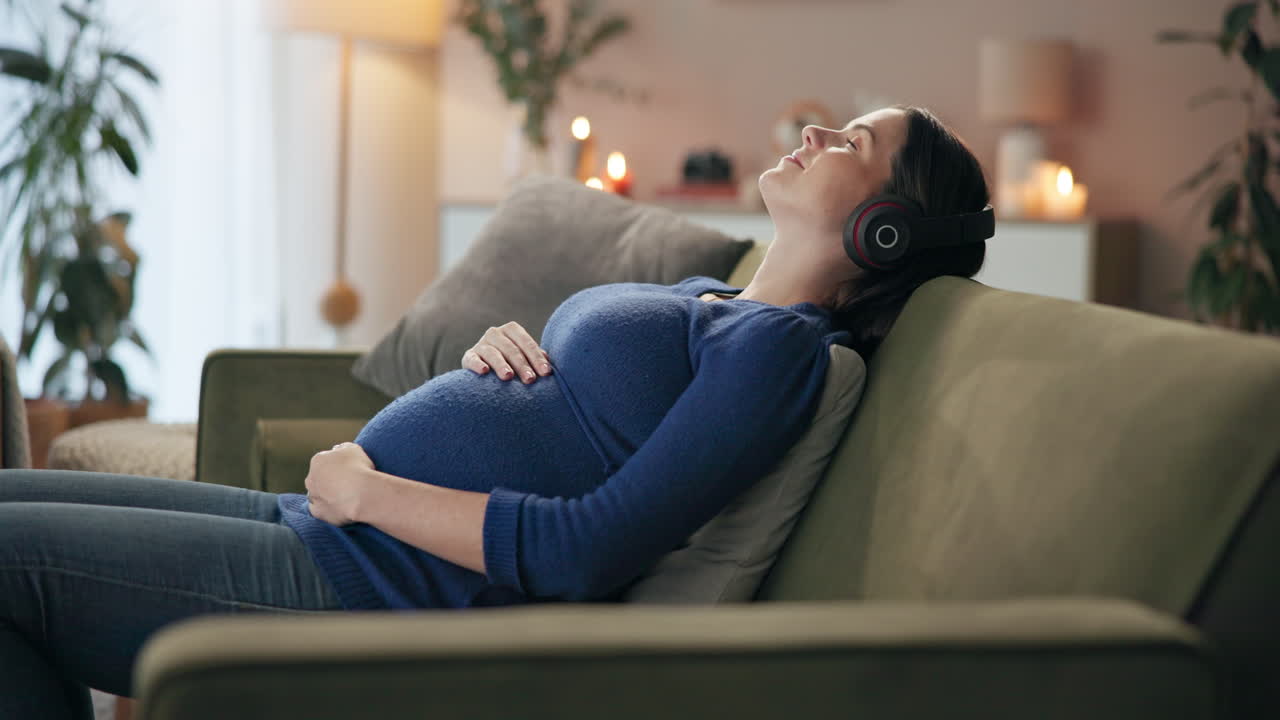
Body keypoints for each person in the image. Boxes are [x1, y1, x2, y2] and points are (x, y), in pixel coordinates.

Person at [0, 105, 988, 718]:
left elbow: (586, 549)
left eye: (852, 141)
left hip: (377, 585)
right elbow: (578, 415)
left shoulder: (780, 350)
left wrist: (371, 491)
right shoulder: (713, 298)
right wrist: (507, 353)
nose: (814, 132)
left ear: (884, 226)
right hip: (334, 532)